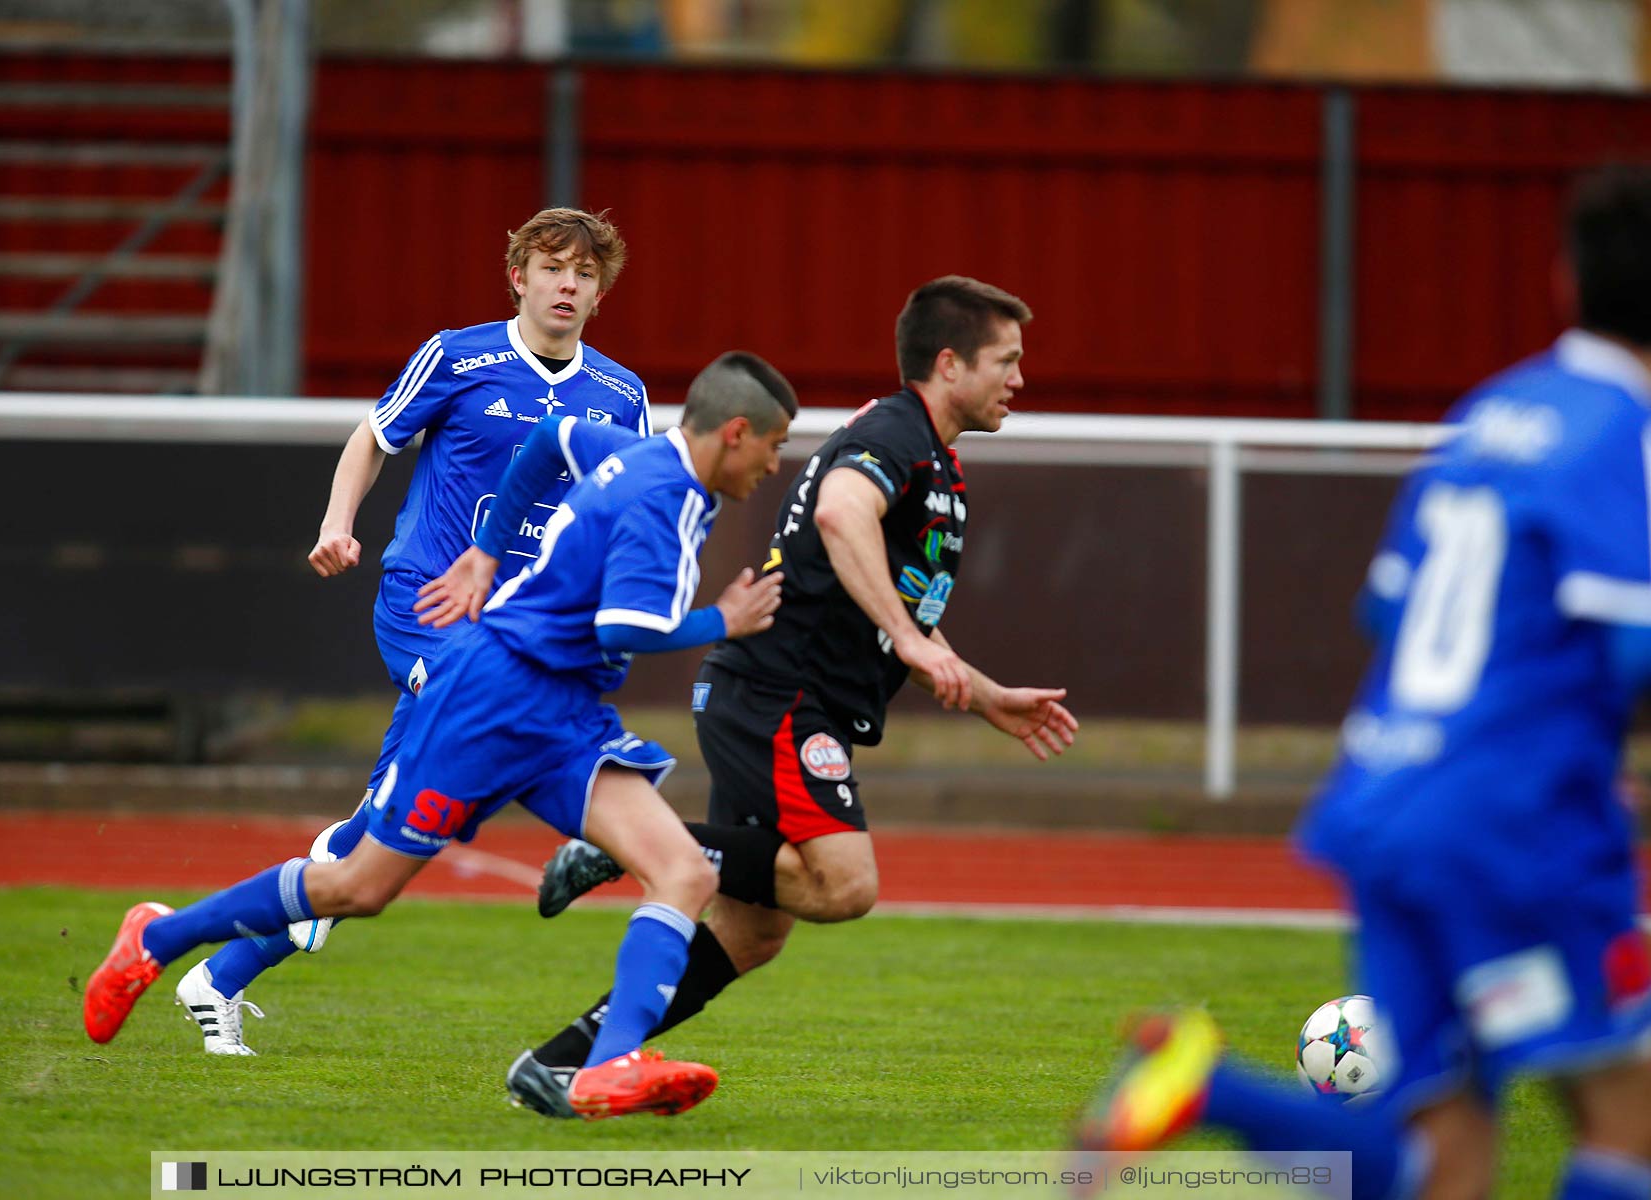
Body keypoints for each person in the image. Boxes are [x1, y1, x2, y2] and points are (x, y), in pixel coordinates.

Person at [1081, 165, 1651, 1200]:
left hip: (1386, 801)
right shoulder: (1629, 434)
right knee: (1626, 1119)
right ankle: (1208, 1088)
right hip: (1513, 822)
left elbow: (1386, 609)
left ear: (1566, 281)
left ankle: (1205, 1084)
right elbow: (1631, 650)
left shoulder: (1492, 412)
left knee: (1447, 1157)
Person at [84, 351, 798, 1119]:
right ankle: (157, 939)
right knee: (356, 887)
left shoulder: (637, 450)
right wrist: (725, 620)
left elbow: (554, 436)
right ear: (734, 433)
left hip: (562, 716)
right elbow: (623, 623)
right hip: (492, 697)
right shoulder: (665, 499)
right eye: (773, 443)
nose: (775, 462)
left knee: (684, 872)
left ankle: (603, 1067)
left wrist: (487, 551)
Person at [500, 276, 1080, 1118]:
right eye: (1007, 360)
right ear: (949, 364)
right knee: (845, 885)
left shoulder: (933, 457)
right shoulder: (895, 435)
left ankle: (561, 1068)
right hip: (780, 695)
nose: (1019, 378)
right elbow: (844, 515)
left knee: (753, 931)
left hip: (779, 693)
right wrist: (914, 643)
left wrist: (984, 694)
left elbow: (893, 604)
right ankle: (640, 846)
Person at [169, 208, 651, 1056]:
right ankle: (593, 834)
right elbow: (373, 435)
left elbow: (622, 509)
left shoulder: (620, 394)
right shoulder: (459, 355)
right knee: (504, 758)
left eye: (583, 272)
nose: (567, 283)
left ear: (601, 290)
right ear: (520, 276)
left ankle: (215, 973)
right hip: (426, 606)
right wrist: (335, 523)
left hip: (523, 633)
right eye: (551, 267)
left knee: (378, 840)